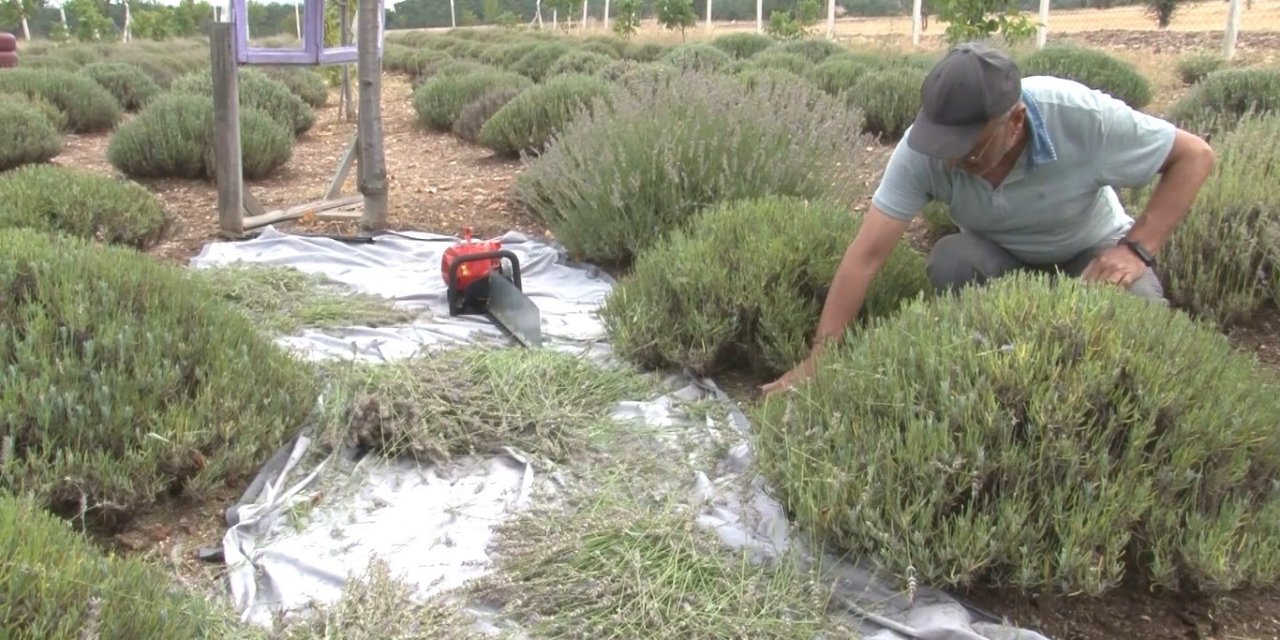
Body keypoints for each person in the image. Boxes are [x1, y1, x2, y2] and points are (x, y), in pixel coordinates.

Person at [760, 41, 1215, 397]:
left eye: (968, 148)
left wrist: (1137, 247)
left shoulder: (1081, 117)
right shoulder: (923, 149)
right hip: (1000, 259)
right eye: (943, 145)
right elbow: (865, 257)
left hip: (1087, 256)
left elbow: (1194, 156)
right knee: (951, 260)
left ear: (1014, 122)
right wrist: (821, 358)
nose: (952, 161)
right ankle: (997, 368)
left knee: (1136, 301)